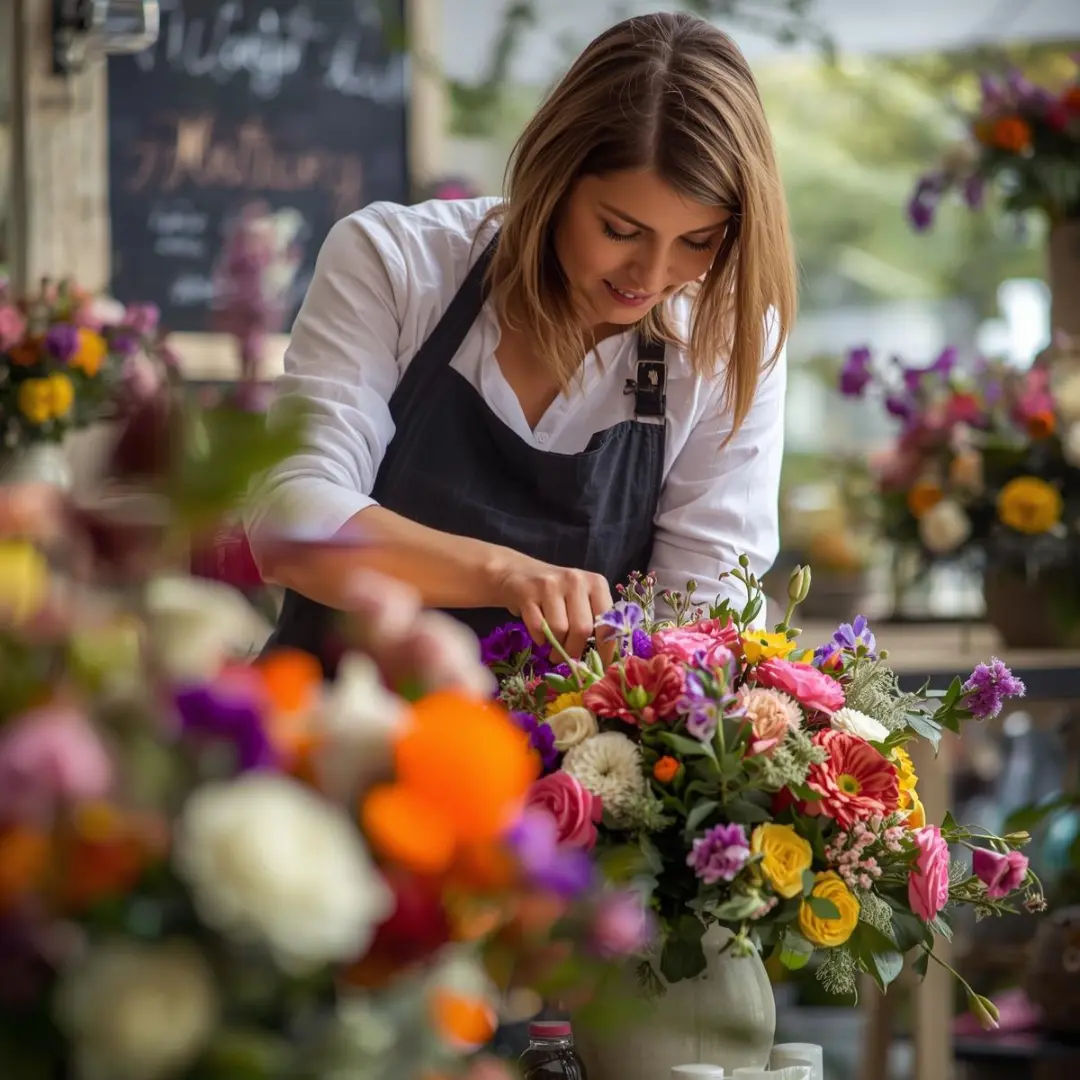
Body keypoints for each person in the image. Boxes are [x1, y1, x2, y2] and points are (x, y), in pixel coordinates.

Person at [245, 11, 796, 673]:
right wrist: (503, 575)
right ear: (553, 180)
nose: (651, 278)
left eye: (698, 243)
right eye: (620, 230)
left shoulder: (722, 336)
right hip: (333, 737)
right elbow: (290, 522)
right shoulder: (396, 263)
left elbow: (707, 616)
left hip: (577, 765)